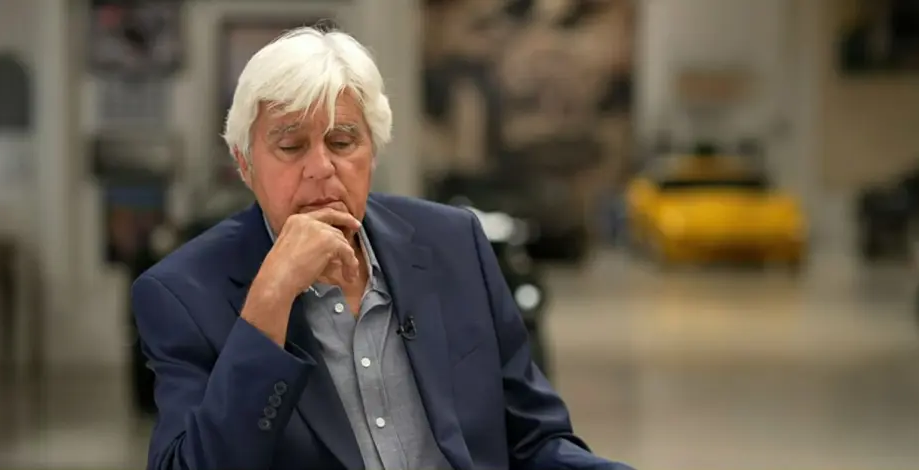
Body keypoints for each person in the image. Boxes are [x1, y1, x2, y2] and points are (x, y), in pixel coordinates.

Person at [131, 26, 632, 470]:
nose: (321, 168)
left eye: (342, 142)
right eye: (291, 146)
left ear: (373, 150)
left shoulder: (455, 243)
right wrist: (269, 303)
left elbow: (534, 441)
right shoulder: (181, 294)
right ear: (245, 163)